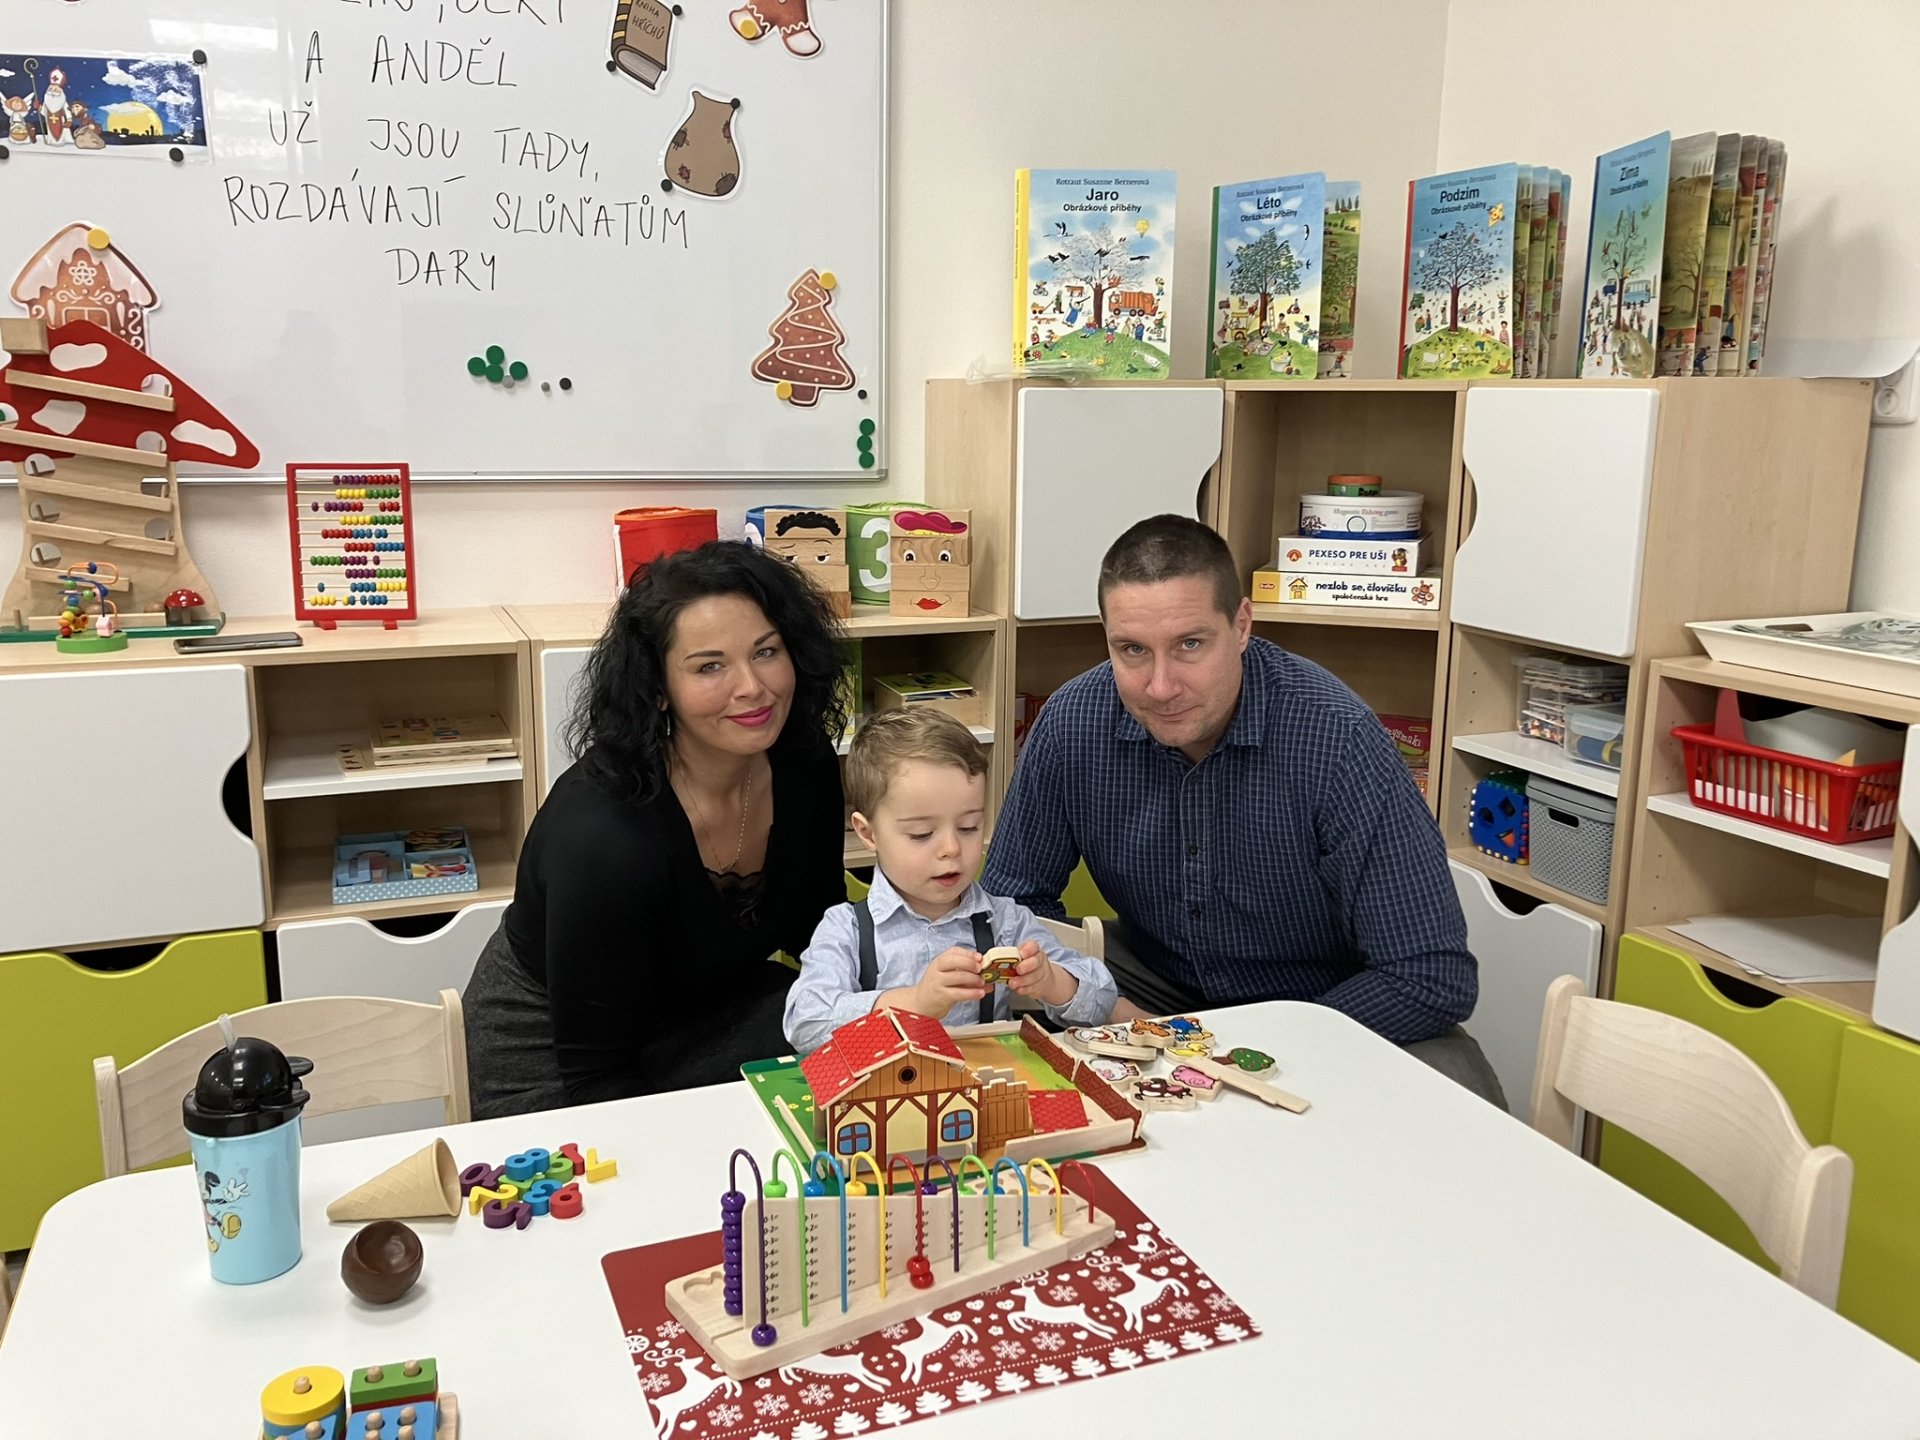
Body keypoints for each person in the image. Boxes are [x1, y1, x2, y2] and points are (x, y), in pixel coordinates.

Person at [981, 515, 1500, 1101]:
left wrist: (1247, 1047)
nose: (1160, 686)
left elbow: (1430, 974)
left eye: (1190, 645)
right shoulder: (1072, 721)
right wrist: (1084, 994)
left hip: (1327, 1000)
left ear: (1243, 625)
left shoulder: (1337, 737)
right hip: (1154, 976)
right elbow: (1010, 908)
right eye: (1132, 650)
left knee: (1469, 1100)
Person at [464, 541, 849, 1117]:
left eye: (766, 651)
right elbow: (596, 1075)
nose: (752, 686)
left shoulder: (803, 763)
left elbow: (821, 936)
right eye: (710, 666)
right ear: (659, 689)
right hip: (558, 1058)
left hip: (703, 1007)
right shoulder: (605, 836)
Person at [783, 709, 1115, 1054]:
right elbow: (805, 1024)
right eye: (921, 833)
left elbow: (1102, 999)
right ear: (868, 834)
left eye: (969, 827)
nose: (951, 849)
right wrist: (913, 1002)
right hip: (888, 1082)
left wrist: (1052, 982)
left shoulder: (1005, 922)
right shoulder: (847, 929)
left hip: (985, 1081)